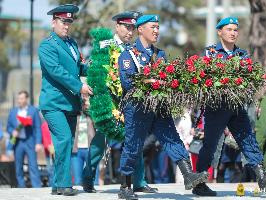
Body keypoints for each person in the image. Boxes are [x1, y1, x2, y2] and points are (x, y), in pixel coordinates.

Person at [118, 14, 208, 200]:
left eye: (158, 27)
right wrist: (152, 81)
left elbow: (168, 80)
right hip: (137, 108)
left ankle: (188, 175)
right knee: (133, 146)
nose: (156, 31)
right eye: (153, 27)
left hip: (159, 107)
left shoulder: (160, 55)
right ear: (140, 29)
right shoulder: (129, 55)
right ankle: (125, 186)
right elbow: (128, 82)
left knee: (172, 139)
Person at [194, 17, 266, 196]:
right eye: (229, 29)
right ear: (220, 32)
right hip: (217, 107)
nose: (233, 33)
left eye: (236, 30)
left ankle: (262, 176)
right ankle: (199, 183)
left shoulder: (242, 55)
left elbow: (249, 80)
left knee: (248, 139)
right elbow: (204, 78)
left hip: (237, 106)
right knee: (210, 146)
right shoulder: (210, 53)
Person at [82, 11, 157, 194]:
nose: (129, 31)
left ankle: (138, 181)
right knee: (101, 140)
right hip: (109, 101)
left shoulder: (134, 49)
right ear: (117, 26)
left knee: (134, 140)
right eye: (126, 27)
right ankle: (88, 178)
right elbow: (96, 74)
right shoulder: (105, 45)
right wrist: (98, 101)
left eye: (132, 28)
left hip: (129, 101)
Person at [38, 4, 93, 196]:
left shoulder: (72, 44)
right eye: (63, 21)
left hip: (70, 103)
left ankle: (56, 185)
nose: (67, 25)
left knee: (67, 143)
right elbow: (56, 71)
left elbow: (79, 67)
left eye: (69, 22)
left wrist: (96, 67)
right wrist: (80, 86)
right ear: (54, 23)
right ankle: (63, 183)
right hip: (53, 103)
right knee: (63, 140)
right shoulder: (47, 45)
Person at [6, 90, 42, 188]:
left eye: (21, 98)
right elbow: (8, 126)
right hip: (17, 143)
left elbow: (38, 128)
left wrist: (38, 142)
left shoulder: (33, 110)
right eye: (18, 98)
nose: (19, 100)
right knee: (18, 167)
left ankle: (36, 187)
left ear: (26, 99)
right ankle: (21, 188)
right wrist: (12, 131)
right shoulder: (13, 111)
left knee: (33, 165)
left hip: (30, 141)